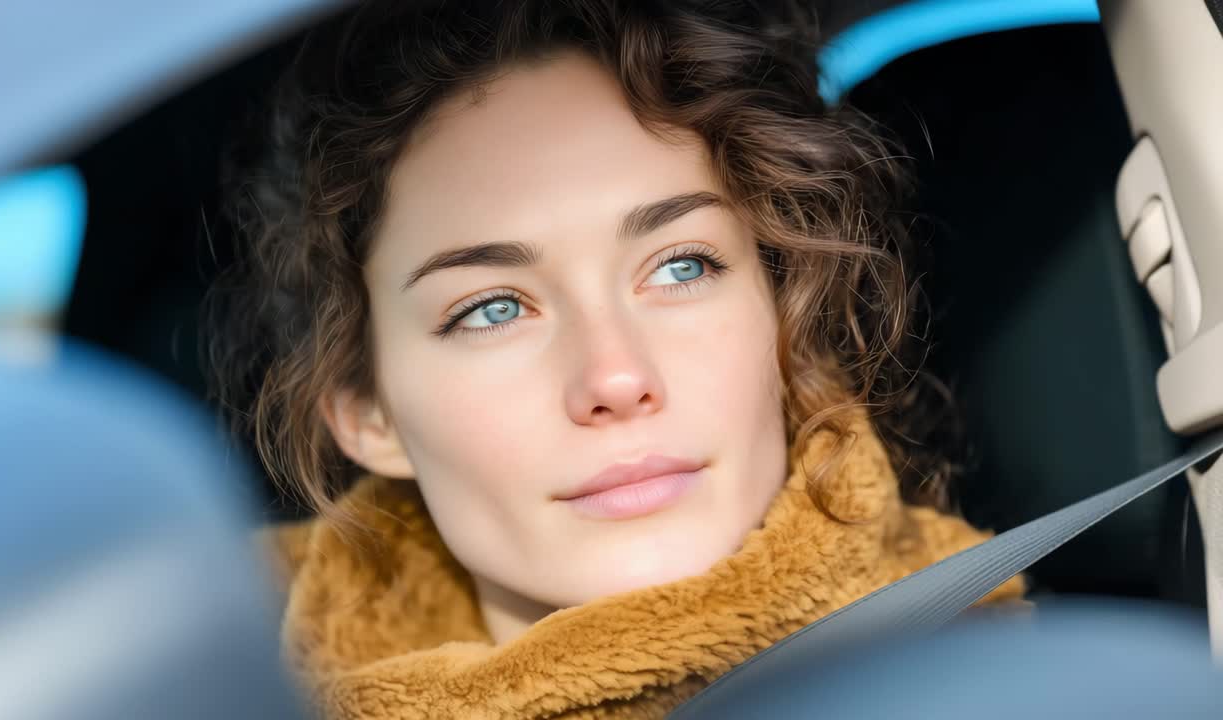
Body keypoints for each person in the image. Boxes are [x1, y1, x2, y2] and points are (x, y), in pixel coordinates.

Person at [203, 1, 1025, 717]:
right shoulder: (188, 687)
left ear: (783, 311)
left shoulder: (1029, 685)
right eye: (492, 310)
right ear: (364, 411)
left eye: (681, 266)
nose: (617, 380)